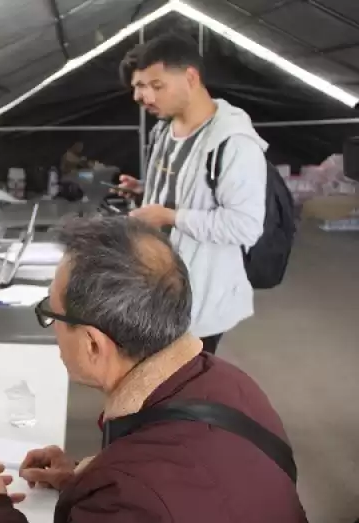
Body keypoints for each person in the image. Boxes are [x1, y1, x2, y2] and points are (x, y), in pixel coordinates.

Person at [0, 216, 308, 523]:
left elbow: (153, 496)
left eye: (51, 313)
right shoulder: (232, 383)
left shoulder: (125, 501)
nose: (52, 328)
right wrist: (85, 477)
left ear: (93, 344)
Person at [115, 33, 267, 355]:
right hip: (157, 288)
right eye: (139, 88)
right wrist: (143, 192)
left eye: (156, 86)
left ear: (191, 77)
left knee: (185, 390)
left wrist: (169, 216)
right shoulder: (163, 131)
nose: (145, 97)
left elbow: (245, 225)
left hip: (200, 298)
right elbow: (185, 190)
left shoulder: (233, 143)